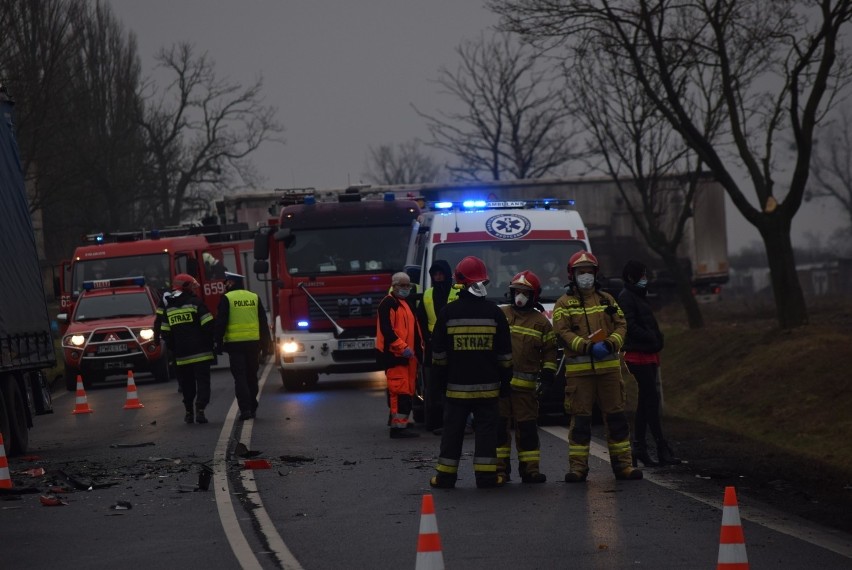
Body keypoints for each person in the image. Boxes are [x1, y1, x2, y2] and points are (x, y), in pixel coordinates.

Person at [553, 250, 643, 482]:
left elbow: (621, 325)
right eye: (580, 272)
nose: (585, 276)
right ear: (572, 275)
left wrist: (611, 343)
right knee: (581, 422)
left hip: (609, 372)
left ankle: (623, 466)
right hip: (579, 376)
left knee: (616, 419)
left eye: (589, 271)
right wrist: (587, 347)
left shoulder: (607, 300)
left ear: (596, 274)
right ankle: (578, 468)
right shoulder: (563, 304)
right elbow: (562, 332)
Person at [429, 256, 513, 489]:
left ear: (458, 281)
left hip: (455, 390)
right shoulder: (495, 313)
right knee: (487, 434)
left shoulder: (447, 313)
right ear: (483, 282)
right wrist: (504, 386)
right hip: (488, 389)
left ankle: (445, 478)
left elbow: (438, 357)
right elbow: (505, 357)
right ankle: (486, 478)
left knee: (452, 434)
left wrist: (437, 388)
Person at [497, 270, 558, 484]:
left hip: (526, 390)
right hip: (500, 388)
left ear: (534, 296)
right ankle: (500, 471)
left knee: (527, 430)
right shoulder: (500, 314)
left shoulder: (541, 322)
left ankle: (530, 470)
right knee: (499, 431)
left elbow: (550, 351)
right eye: (517, 292)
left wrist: (549, 375)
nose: (520, 297)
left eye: (525, 293)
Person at [618, 259, 681, 467]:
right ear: (631, 277)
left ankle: (640, 447)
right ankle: (660, 446)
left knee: (646, 401)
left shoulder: (638, 295)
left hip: (648, 353)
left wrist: (657, 339)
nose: (645, 279)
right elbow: (630, 326)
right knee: (650, 399)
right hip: (637, 355)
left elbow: (647, 322)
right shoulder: (627, 297)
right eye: (642, 275)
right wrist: (651, 338)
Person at [154, 274, 215, 423]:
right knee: (203, 383)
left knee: (186, 384)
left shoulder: (169, 309)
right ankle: (200, 410)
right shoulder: (196, 304)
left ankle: (188, 412)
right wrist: (210, 343)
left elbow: (165, 332)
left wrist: (174, 348)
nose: (195, 290)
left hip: (181, 356)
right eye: (193, 287)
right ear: (186, 287)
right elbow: (208, 325)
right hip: (201, 353)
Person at [214, 272, 272, 421]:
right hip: (253, 344)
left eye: (227, 283)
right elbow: (263, 323)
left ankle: (245, 409)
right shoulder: (254, 297)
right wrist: (267, 345)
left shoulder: (227, 299)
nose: (225, 285)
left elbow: (221, 322)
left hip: (235, 345)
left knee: (240, 378)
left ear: (232, 283)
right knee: (252, 376)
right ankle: (252, 405)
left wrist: (218, 343)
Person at [376, 272, 424, 439]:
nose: (405, 288)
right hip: (395, 355)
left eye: (407, 285)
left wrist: (418, 351)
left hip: (407, 356)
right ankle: (398, 428)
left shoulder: (404, 303)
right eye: (402, 285)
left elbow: (414, 330)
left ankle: (399, 421)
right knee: (399, 391)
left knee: (407, 390)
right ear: (394, 286)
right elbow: (387, 331)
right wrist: (402, 347)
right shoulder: (388, 304)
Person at [415, 259, 457, 434]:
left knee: (454, 385)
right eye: (435, 274)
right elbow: (421, 320)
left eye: (441, 274)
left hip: (454, 344)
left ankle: (456, 421)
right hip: (433, 345)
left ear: (447, 275)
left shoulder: (457, 292)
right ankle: (434, 423)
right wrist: (425, 339)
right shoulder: (426, 295)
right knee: (433, 387)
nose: (438, 277)